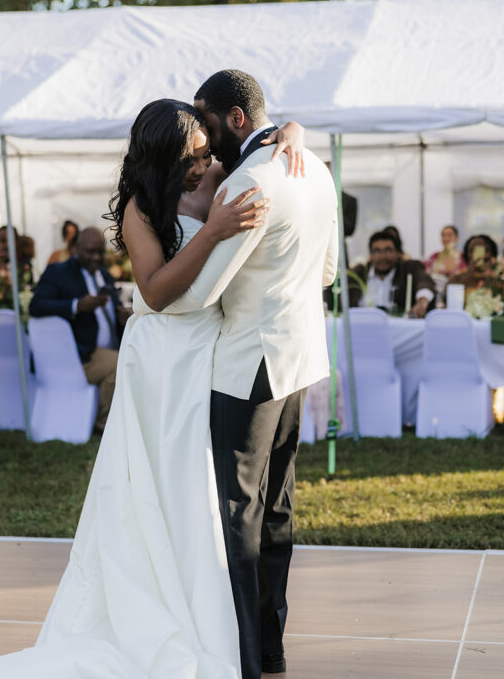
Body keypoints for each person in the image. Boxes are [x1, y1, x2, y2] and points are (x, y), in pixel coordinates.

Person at [0, 97, 312, 679]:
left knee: (200, 486)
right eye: (193, 157)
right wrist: (211, 232)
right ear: (163, 157)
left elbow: (262, 137)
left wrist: (291, 129)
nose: (206, 164)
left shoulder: (214, 172)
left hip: (207, 350)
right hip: (160, 356)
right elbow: (156, 292)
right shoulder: (141, 207)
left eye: (207, 153)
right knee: (156, 478)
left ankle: (202, 602)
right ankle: (157, 603)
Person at [194, 69, 338, 679]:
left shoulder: (249, 182)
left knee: (237, 514)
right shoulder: (317, 168)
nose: (197, 135)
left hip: (246, 364)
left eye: (203, 119)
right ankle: (272, 647)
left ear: (234, 119)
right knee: (276, 506)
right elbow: (328, 272)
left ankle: (247, 659)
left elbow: (202, 292)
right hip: (300, 356)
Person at [28, 227, 128, 434]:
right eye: (90, 251)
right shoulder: (59, 272)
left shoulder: (105, 275)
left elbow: (113, 306)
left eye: (100, 252)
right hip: (79, 355)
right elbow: (36, 306)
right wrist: (76, 306)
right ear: (76, 249)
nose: (96, 257)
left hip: (109, 348)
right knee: (120, 364)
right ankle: (104, 425)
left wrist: (122, 314)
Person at [348, 229, 435, 317]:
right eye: (377, 251)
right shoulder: (358, 273)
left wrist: (422, 300)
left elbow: (425, 281)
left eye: (388, 250)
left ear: (398, 253)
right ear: (370, 255)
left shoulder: (409, 268)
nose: (383, 256)